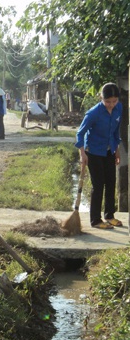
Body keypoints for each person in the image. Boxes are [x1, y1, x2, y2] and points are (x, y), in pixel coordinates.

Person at [75, 82, 122, 230]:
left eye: (114, 101)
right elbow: (80, 133)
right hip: (93, 152)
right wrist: (82, 154)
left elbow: (116, 132)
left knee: (111, 183)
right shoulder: (93, 113)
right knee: (98, 185)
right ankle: (95, 220)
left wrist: (117, 150)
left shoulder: (118, 109)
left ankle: (109, 215)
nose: (111, 105)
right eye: (108, 101)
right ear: (101, 97)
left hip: (109, 151)